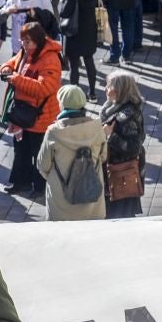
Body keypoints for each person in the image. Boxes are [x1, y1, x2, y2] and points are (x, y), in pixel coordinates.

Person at [0, 19, 61, 199]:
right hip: (23, 115)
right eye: (22, 41)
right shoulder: (26, 52)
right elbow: (11, 63)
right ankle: (20, 183)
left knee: (39, 155)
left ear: (38, 40)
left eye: (28, 41)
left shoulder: (50, 58)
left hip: (41, 117)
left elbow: (45, 88)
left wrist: (16, 79)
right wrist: (5, 69)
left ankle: (40, 187)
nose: (24, 45)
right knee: (21, 151)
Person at [37, 84, 107, 220]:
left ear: (62, 104)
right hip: (91, 198)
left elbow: (43, 165)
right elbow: (103, 157)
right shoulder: (97, 128)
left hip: (61, 201)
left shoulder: (53, 132)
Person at [101, 71, 146, 219]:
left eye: (109, 86)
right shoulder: (111, 108)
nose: (105, 89)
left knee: (121, 217)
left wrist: (111, 136)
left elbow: (134, 148)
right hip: (114, 174)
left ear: (120, 91)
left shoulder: (128, 116)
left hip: (122, 175)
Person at [55, 0, 101, 101]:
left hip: (74, 31)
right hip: (89, 29)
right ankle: (92, 93)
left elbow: (64, 13)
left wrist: (63, 0)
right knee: (89, 60)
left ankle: (74, 96)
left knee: (74, 65)